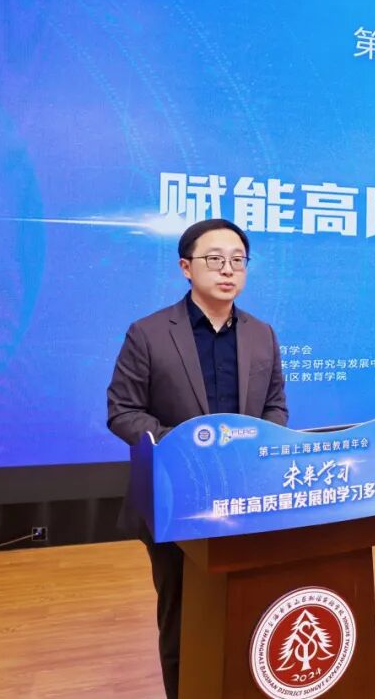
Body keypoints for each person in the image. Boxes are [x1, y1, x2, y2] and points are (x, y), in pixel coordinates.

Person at [106, 218, 288, 698]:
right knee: (183, 617)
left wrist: (258, 444)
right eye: (215, 259)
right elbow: (123, 412)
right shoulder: (148, 333)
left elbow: (275, 406)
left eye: (238, 261)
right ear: (186, 268)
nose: (228, 270)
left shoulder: (262, 334)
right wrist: (188, 444)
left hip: (246, 498)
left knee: (247, 608)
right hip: (175, 498)